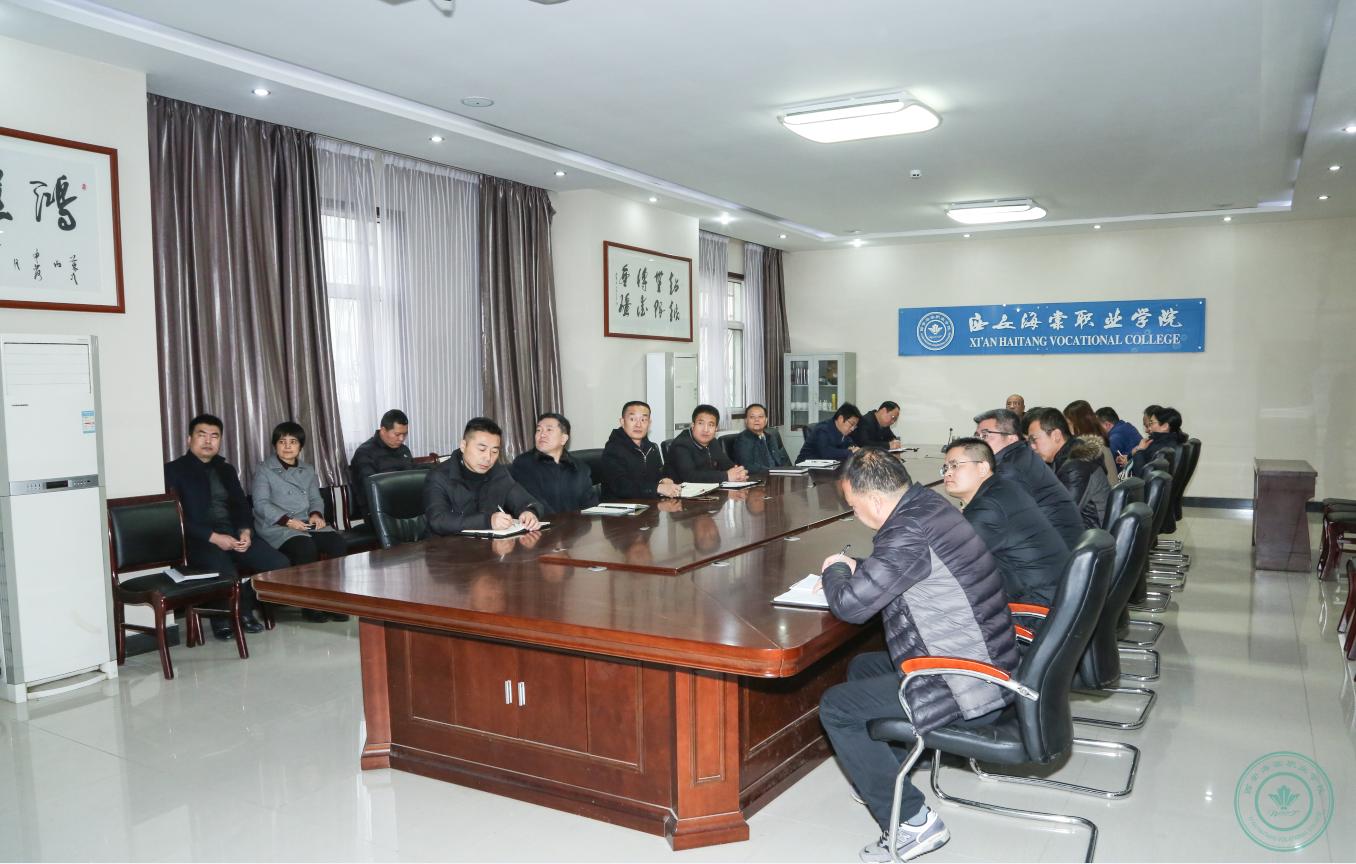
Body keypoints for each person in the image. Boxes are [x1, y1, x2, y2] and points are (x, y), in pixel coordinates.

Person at [816, 449, 1018, 863]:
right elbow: (906, 565)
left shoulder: (906, 531)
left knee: (836, 708)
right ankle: (889, 776)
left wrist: (835, 568)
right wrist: (859, 566)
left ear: (875, 500)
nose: (855, 514)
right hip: (987, 660)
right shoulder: (926, 506)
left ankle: (913, 822)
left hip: (967, 683)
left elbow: (851, 607)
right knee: (862, 666)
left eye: (853, 505)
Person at [164, 413, 287, 639]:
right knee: (226, 573)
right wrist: (213, 537)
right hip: (198, 540)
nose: (208, 441)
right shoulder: (172, 470)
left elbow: (241, 506)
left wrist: (245, 531)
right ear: (189, 439)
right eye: (202, 435)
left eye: (214, 436)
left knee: (279, 564)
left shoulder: (226, 469)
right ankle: (225, 617)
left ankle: (242, 603)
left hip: (233, 534)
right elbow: (174, 517)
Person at [941, 438, 1068, 606]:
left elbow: (948, 561)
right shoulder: (1004, 487)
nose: (948, 473)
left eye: (955, 465)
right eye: (945, 468)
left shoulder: (987, 506)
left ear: (982, 468)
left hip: (1033, 608)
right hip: (1052, 595)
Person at [251, 421, 349, 623]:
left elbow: (315, 498)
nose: (287, 446)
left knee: (337, 543)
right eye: (282, 442)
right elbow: (260, 504)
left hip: (306, 522)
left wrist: (316, 514)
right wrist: (288, 521)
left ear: (300, 446)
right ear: (275, 445)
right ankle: (310, 605)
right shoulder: (264, 469)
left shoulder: (308, 469)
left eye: (293, 442)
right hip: (277, 525)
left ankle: (334, 600)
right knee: (305, 547)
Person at [972, 408, 1083, 548]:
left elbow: (992, 520)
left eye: (985, 435)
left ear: (1011, 438)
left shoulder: (1010, 469)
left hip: (1055, 549)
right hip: (1059, 543)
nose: (978, 443)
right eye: (977, 436)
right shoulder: (1022, 457)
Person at [424, 417, 543, 535]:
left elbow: (527, 501)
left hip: (489, 544)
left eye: (494, 451)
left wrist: (529, 512)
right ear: (463, 446)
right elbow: (438, 520)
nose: (488, 458)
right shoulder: (439, 476)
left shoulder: (497, 472)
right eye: (482, 449)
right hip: (448, 545)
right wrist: (487, 521)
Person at [1026, 407, 1110, 529]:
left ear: (1056, 435)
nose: (1032, 446)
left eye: (1034, 439)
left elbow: (1059, 515)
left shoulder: (1076, 467)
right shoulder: (1064, 460)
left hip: (1087, 536)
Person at [510, 412, 599, 514]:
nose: (542, 434)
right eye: (538, 430)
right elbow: (534, 504)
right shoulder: (523, 464)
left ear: (563, 439)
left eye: (549, 430)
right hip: (543, 523)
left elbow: (590, 507)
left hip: (577, 523)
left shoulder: (580, 468)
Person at [599, 400, 681, 499]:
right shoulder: (613, 450)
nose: (638, 425)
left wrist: (662, 480)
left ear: (649, 423)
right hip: (619, 506)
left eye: (643, 420)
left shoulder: (651, 448)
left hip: (647, 504)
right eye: (632, 419)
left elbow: (655, 475)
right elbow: (621, 486)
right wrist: (657, 488)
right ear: (622, 422)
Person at [348, 409, 415, 519]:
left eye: (405, 434)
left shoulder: (404, 450)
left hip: (406, 506)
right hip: (379, 512)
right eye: (397, 434)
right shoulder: (365, 453)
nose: (401, 439)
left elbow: (412, 480)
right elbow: (371, 489)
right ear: (383, 430)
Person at [667, 404, 749, 483]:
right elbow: (690, 476)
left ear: (716, 429)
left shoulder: (713, 442)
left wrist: (738, 472)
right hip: (680, 490)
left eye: (711, 425)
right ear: (693, 425)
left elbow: (726, 464)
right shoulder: (681, 444)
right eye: (701, 423)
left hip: (709, 490)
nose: (705, 429)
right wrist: (726, 476)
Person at [1063, 399, 1118, 484]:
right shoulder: (1099, 440)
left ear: (1078, 424)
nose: (1066, 428)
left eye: (1068, 423)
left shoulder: (1088, 446)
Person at [1129, 406, 1188, 475]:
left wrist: (1139, 451)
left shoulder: (1160, 447)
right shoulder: (1172, 440)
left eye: (1151, 423)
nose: (1149, 428)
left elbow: (1141, 475)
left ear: (1165, 426)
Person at [732, 402, 791, 470]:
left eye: (760, 417)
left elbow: (780, 460)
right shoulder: (743, 440)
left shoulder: (770, 436)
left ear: (766, 420)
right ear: (746, 421)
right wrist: (773, 471)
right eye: (752, 417)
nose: (756, 420)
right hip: (761, 475)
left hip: (777, 473)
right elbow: (748, 466)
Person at [796, 402, 862, 462]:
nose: (853, 429)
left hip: (827, 467)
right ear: (841, 418)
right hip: (805, 467)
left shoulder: (843, 432)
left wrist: (857, 450)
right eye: (852, 424)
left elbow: (850, 445)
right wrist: (850, 452)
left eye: (855, 426)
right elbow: (826, 453)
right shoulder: (822, 429)